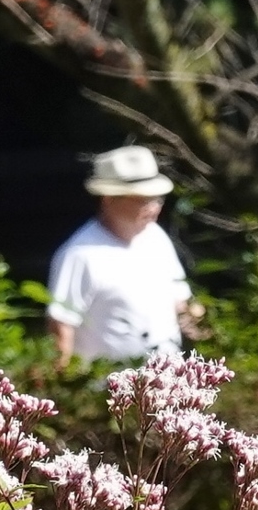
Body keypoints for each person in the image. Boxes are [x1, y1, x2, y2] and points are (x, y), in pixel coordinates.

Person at [46, 146, 201, 364]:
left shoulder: (156, 238)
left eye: (157, 198)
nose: (154, 208)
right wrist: (62, 389)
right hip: (107, 393)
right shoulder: (79, 254)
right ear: (109, 199)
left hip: (167, 388)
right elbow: (61, 328)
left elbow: (182, 304)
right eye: (143, 199)